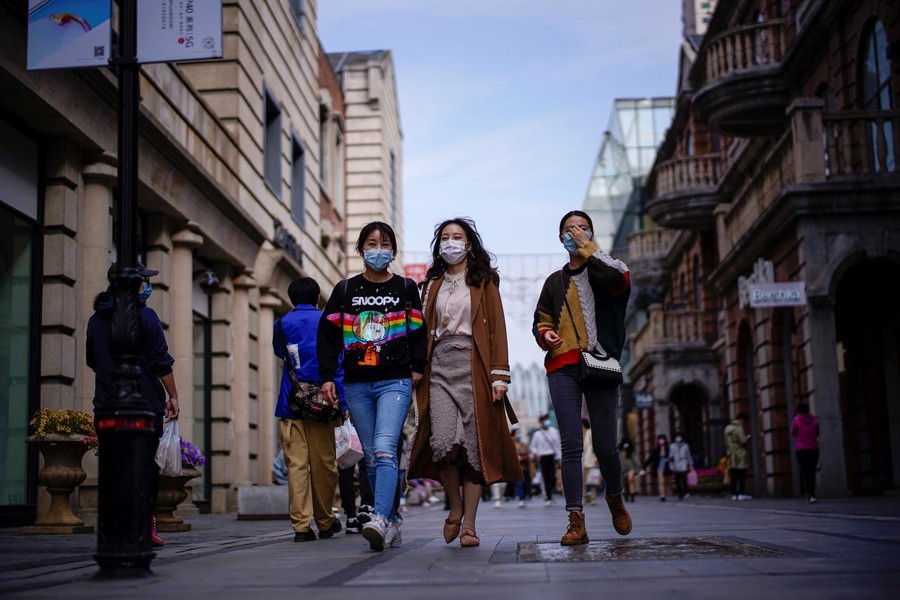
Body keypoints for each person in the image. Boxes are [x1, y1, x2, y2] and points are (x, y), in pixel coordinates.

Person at [407, 217, 522, 548]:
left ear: (469, 244)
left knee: (474, 447)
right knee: (443, 442)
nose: (451, 242)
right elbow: (418, 331)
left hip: (474, 367)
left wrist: (500, 375)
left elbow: (496, 329)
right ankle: (454, 509)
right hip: (439, 367)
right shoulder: (430, 285)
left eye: (457, 237)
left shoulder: (484, 281)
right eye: (445, 237)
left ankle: (469, 524)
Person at [317, 221, 427, 552]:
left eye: (384, 243)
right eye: (371, 243)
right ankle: (391, 520)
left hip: (394, 381)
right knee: (372, 457)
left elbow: (420, 331)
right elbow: (328, 335)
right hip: (356, 385)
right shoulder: (345, 290)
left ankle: (378, 517)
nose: (378, 249)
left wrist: (417, 368)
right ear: (360, 249)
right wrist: (326, 376)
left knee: (383, 448)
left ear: (393, 250)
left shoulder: (406, 288)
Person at [532, 210, 633, 545]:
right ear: (558, 236)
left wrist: (588, 249)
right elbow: (541, 319)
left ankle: (615, 496)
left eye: (581, 228)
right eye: (567, 229)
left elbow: (618, 284)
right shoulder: (554, 282)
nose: (573, 233)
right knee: (571, 444)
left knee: (605, 446)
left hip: (601, 363)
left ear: (590, 233)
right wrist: (545, 334)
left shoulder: (609, 269)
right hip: (563, 365)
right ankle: (576, 520)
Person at [86, 262, 180, 548]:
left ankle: (116, 526)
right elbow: (161, 361)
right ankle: (142, 525)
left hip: (106, 405)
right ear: (134, 284)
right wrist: (174, 396)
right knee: (143, 468)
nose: (146, 286)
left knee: (114, 468)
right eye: (143, 281)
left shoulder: (95, 320)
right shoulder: (146, 316)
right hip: (144, 405)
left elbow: (92, 360)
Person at [274, 277, 347, 542]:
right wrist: (343, 403)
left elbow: (281, 353)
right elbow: (338, 363)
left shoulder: (281, 324)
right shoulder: (328, 322)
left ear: (292, 298)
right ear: (318, 297)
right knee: (325, 464)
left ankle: (301, 527)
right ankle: (326, 521)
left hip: (291, 403)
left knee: (296, 466)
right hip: (323, 405)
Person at [530, 414, 562, 506]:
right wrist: (536, 453)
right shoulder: (537, 434)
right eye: (544, 420)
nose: (547, 422)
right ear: (540, 422)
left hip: (552, 456)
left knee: (552, 477)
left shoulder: (554, 431)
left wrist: (558, 457)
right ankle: (548, 496)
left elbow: (558, 445)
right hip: (542, 457)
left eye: (547, 419)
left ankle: (550, 493)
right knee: (545, 476)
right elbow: (533, 446)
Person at [791, 403, 820, 503]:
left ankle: (809, 494)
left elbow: (793, 432)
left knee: (805, 471)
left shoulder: (796, 420)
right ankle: (813, 494)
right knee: (812, 471)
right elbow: (817, 433)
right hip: (813, 448)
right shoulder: (815, 420)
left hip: (801, 449)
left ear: (799, 410)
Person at [725, 412, 752, 501]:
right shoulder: (738, 428)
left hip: (731, 454)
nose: (743, 423)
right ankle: (741, 494)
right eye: (743, 421)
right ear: (741, 419)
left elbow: (725, 442)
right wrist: (747, 437)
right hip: (740, 453)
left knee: (733, 475)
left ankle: (734, 494)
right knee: (741, 474)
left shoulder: (727, 428)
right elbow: (743, 441)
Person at [640, 434, 671, 501]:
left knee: (665, 482)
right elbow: (650, 459)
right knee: (661, 481)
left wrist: (670, 459)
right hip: (659, 467)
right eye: (660, 439)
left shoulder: (668, 449)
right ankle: (662, 496)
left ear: (665, 440)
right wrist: (644, 466)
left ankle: (664, 494)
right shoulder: (656, 450)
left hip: (666, 467)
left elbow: (672, 458)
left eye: (663, 439)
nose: (661, 441)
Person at [582, 419, 601, 506]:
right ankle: (585, 498)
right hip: (583, 460)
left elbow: (595, 445)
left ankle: (593, 498)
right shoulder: (580, 435)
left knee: (592, 479)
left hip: (591, 459)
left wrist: (596, 456)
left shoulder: (590, 432)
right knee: (583, 480)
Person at [669, 432, 692, 500]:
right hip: (676, 463)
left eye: (679, 436)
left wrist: (690, 464)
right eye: (677, 436)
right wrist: (671, 465)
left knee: (684, 478)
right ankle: (680, 493)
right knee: (678, 479)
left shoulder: (686, 446)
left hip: (683, 462)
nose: (678, 438)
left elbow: (688, 456)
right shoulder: (672, 446)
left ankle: (685, 491)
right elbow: (671, 456)